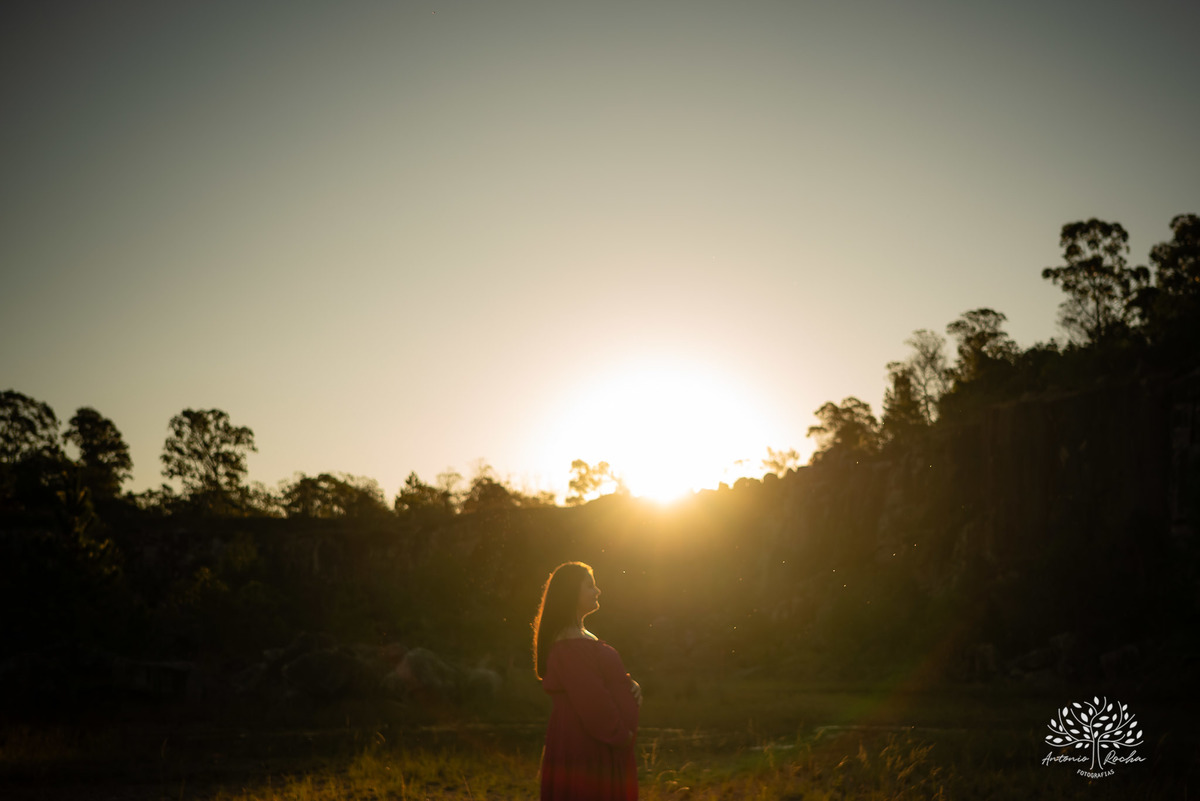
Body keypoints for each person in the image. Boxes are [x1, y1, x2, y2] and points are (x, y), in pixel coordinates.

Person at [533, 561, 642, 800]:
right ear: (572, 592)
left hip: (596, 743)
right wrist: (621, 736)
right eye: (590, 585)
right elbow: (593, 702)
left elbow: (597, 681)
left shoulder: (580, 637)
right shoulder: (570, 645)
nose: (597, 591)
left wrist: (628, 686)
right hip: (589, 745)